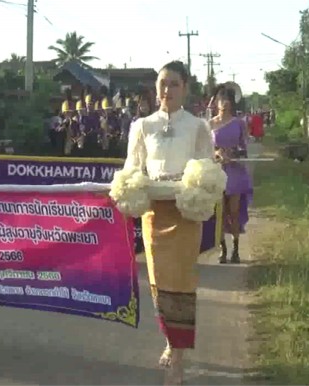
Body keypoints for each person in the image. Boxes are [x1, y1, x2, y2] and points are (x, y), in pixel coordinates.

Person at [123, 61, 214, 385]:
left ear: (185, 88)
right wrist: (132, 188)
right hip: (154, 214)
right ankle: (169, 338)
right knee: (159, 283)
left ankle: (177, 358)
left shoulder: (199, 126)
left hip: (185, 214)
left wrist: (196, 190)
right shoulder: (142, 126)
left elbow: (207, 169)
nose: (167, 90)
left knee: (182, 282)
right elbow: (132, 168)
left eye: (174, 84)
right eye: (162, 83)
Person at [209, 84, 253, 264]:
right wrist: (217, 154)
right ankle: (222, 249)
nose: (224, 103)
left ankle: (235, 248)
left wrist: (232, 153)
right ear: (216, 102)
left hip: (235, 173)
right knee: (219, 213)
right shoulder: (210, 124)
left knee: (233, 212)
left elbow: (245, 149)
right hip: (216, 172)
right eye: (221, 99)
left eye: (227, 99)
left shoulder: (239, 123)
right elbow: (204, 149)